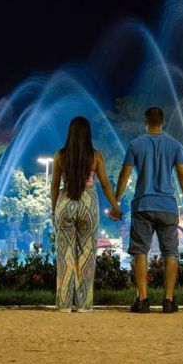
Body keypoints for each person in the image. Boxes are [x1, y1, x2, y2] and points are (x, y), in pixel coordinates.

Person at [112, 107, 183, 314]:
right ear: (162, 122)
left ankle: (143, 300)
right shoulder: (174, 146)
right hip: (167, 206)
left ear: (145, 122)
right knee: (171, 253)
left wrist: (116, 201)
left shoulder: (135, 145)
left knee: (140, 251)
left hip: (143, 205)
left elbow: (125, 175)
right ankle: (168, 300)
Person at [51, 116, 120, 312]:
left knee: (65, 255)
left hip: (65, 202)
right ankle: (83, 304)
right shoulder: (96, 156)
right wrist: (115, 206)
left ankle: (64, 304)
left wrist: (53, 209)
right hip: (88, 204)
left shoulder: (60, 156)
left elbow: (55, 185)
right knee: (87, 254)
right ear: (88, 134)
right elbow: (105, 184)